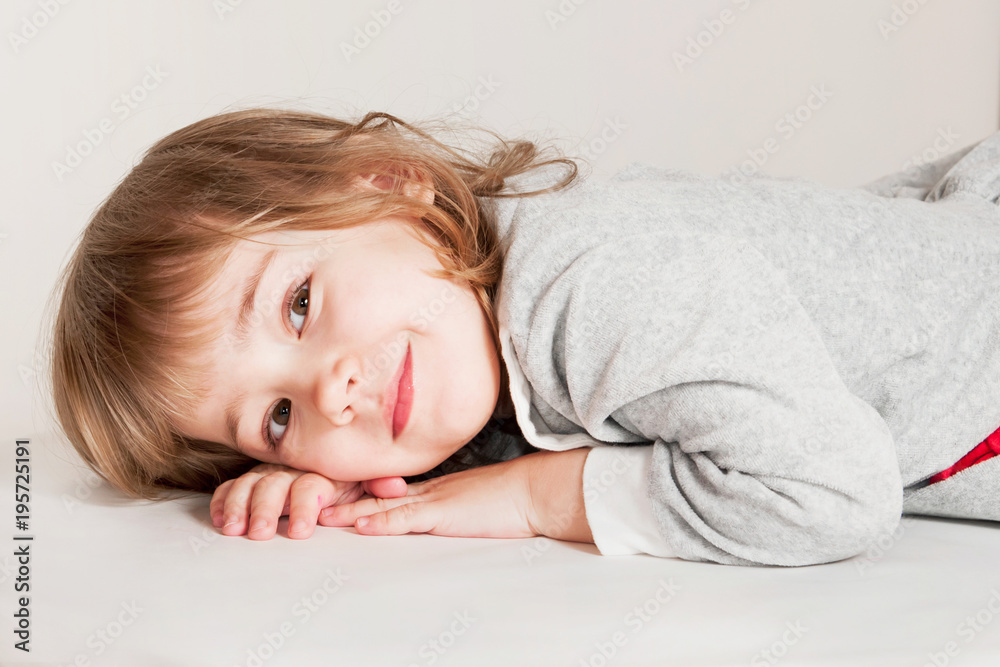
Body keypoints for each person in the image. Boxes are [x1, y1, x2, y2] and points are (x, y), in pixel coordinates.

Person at [48, 107, 1000, 567]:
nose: (335, 389)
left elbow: (833, 496)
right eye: (278, 415)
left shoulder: (595, 285)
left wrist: (542, 496)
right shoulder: (456, 324)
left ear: (390, 184)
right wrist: (338, 480)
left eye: (298, 304)